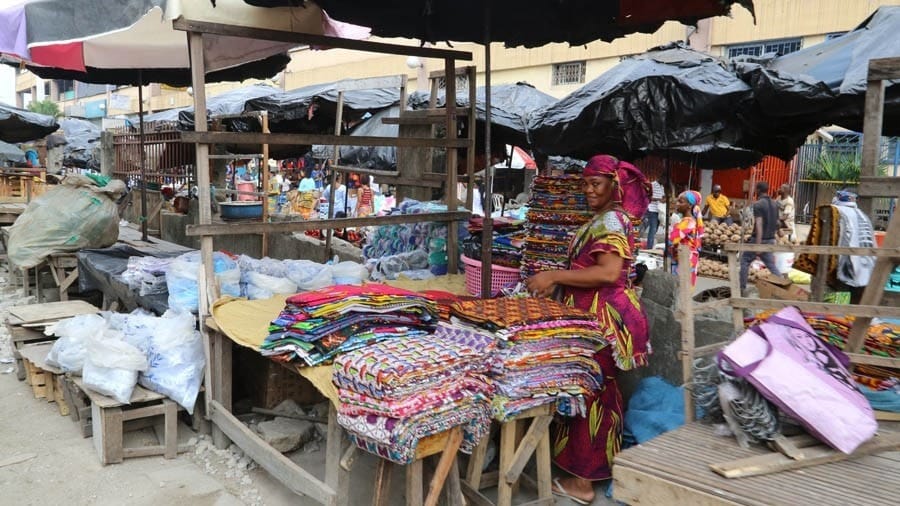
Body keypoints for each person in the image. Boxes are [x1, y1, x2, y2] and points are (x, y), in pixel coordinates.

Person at [524, 154, 651, 505]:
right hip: (598, 315)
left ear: (614, 186)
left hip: (603, 318)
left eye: (595, 184)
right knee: (597, 391)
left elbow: (609, 273)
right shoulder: (608, 218)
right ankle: (587, 471)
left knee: (591, 393)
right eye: (585, 184)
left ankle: (582, 482)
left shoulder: (611, 220)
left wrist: (554, 276)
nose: (588, 191)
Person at [740, 181, 782, 293]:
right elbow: (778, 223)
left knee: (744, 261)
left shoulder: (758, 205)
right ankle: (783, 284)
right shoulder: (775, 204)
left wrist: (758, 246)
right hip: (771, 240)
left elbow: (759, 225)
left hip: (759, 240)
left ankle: (741, 288)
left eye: (755, 189)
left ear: (758, 190)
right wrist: (779, 233)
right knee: (771, 265)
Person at [669, 190, 705, 287]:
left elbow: (672, 239)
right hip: (686, 259)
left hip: (685, 261)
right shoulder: (689, 221)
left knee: (681, 292)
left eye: (680, 202)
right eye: (677, 201)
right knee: (684, 293)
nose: (677, 204)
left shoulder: (687, 222)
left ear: (689, 205)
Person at [643, 174, 664, 249]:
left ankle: (649, 245)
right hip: (651, 209)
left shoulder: (662, 187)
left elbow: (662, 198)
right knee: (653, 229)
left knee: (654, 230)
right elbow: (647, 197)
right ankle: (649, 248)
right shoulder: (652, 185)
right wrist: (659, 199)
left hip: (659, 211)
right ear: (661, 178)